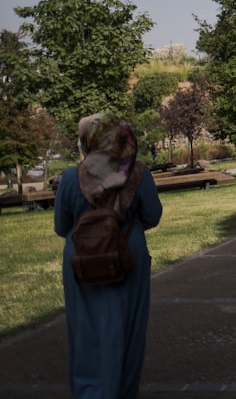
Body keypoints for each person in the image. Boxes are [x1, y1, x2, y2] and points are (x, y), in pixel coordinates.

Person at [54, 113, 163, 398]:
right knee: (129, 329)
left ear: (88, 141)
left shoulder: (70, 177)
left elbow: (61, 227)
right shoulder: (140, 174)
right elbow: (152, 216)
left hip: (82, 260)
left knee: (85, 331)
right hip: (129, 256)